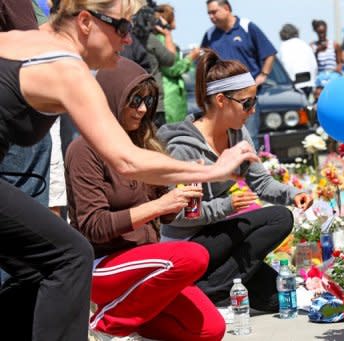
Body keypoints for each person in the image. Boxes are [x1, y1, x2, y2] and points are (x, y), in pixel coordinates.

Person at [0, 0, 257, 339]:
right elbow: (127, 160)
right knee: (71, 256)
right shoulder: (65, 66)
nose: (127, 40)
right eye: (122, 27)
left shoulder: (19, 39)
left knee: (36, 267)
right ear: (86, 21)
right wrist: (213, 170)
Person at [65, 57, 225, 340]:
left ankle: (133, 326)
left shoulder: (143, 145)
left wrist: (180, 198)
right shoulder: (84, 149)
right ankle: (103, 325)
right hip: (102, 265)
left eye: (148, 102)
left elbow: (165, 216)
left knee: (211, 330)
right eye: (135, 99)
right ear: (112, 98)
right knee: (193, 256)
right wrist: (159, 205)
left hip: (146, 264)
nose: (142, 109)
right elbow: (93, 225)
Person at [158, 49, 314, 313]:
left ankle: (209, 287)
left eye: (254, 102)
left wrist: (293, 193)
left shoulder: (237, 134)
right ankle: (212, 291)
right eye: (247, 103)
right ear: (221, 100)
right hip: (187, 244)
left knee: (275, 299)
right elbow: (180, 214)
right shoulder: (184, 148)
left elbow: (262, 183)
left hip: (219, 238)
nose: (252, 111)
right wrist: (227, 206)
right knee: (279, 218)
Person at [201, 0, 277, 148]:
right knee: (225, 138)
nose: (211, 16)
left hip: (246, 96)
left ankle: (249, 169)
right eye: (209, 13)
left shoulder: (247, 27)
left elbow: (269, 53)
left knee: (248, 137)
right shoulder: (210, 34)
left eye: (214, 12)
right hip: (221, 97)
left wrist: (263, 74)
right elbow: (203, 61)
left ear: (227, 8)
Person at [155, 4, 200, 123]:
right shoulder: (162, 38)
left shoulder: (163, 38)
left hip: (173, 94)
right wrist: (191, 57)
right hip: (169, 95)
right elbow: (172, 68)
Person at [279, 23, 317, 99]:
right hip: (309, 81)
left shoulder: (284, 46)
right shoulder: (304, 44)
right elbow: (314, 64)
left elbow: (284, 65)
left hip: (294, 83)